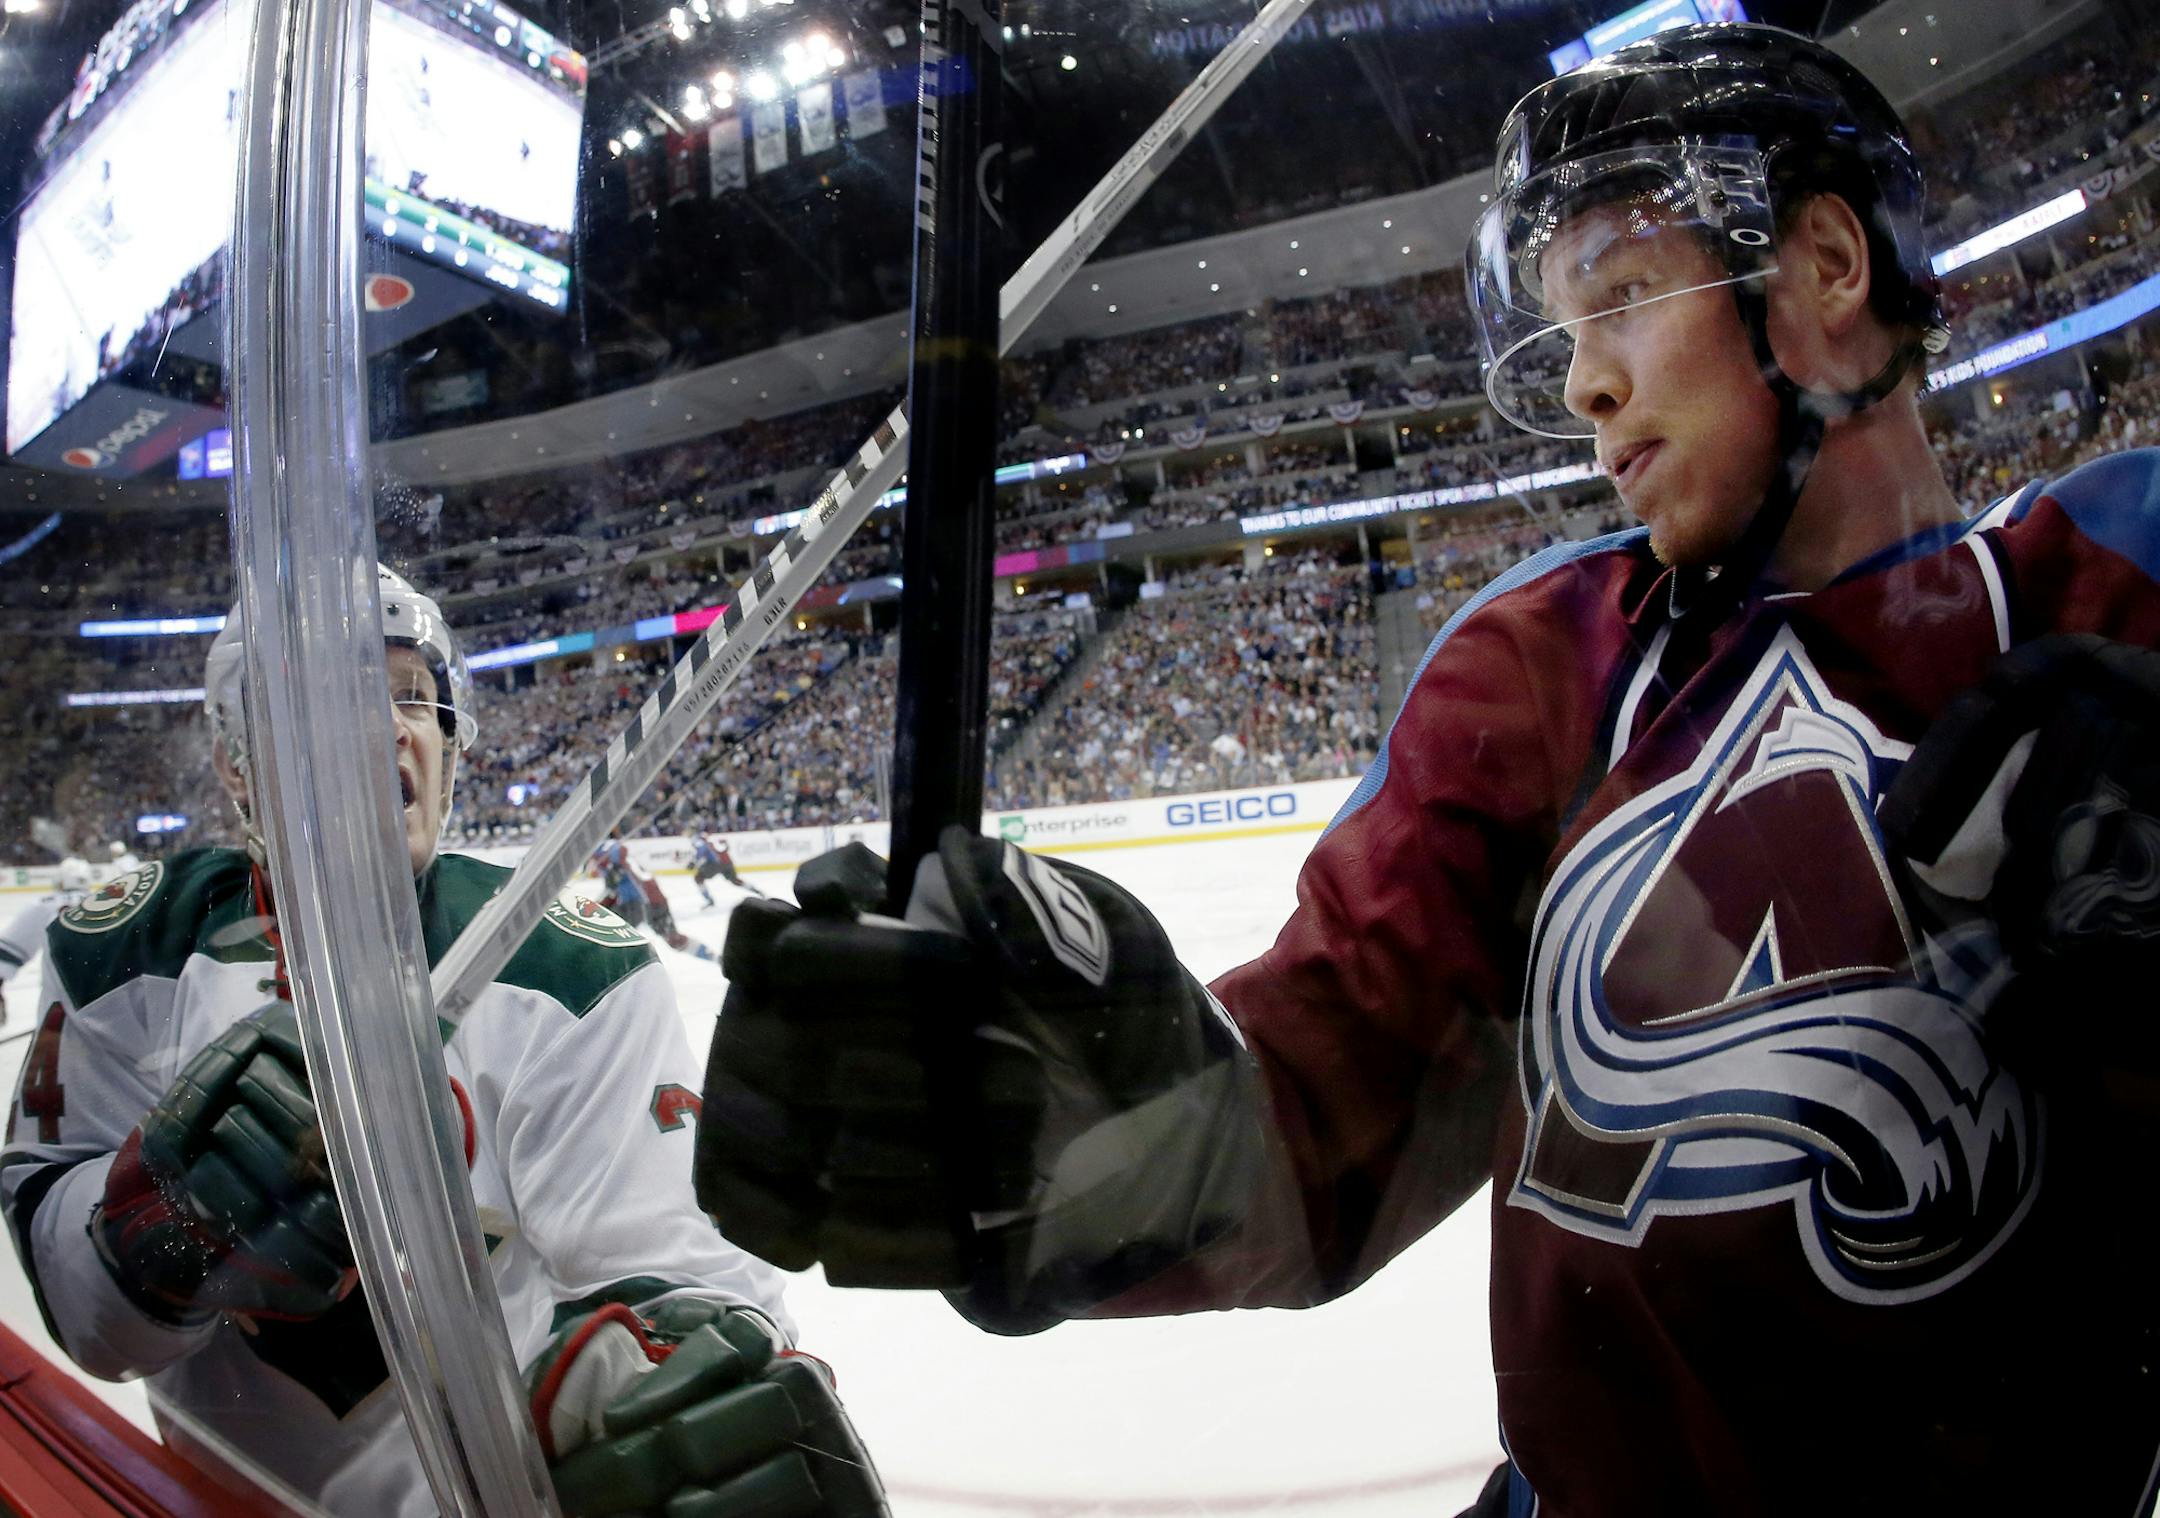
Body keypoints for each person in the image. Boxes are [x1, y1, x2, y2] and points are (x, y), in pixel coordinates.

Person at [693, 24, 2160, 1515]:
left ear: (1829, 266)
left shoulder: (2118, 581)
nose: (1585, 383)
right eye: (1563, 330)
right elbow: (1329, 1110)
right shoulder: (1541, 664)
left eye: (1623, 297)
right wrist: (1087, 1133)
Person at [1, 566, 885, 1517]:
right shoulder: (125, 954)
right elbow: (90, 1328)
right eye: (322, 696)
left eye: (411, 694)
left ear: (448, 744)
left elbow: (681, 1284)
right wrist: (164, 1220)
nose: (384, 724)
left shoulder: (569, 971)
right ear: (236, 762)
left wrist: (661, 1401)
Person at [593, 835, 719, 961]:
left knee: (607, 936)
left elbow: (621, 855)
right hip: (647, 899)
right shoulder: (606, 851)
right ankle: (716, 959)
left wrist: (616, 868)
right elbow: (615, 885)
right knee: (673, 940)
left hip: (643, 902)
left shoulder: (603, 851)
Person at [0, 856, 92, 1026]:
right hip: (107, 1002)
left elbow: (7, 952)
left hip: (58, 1008)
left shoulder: (44, 904)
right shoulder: (104, 902)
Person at [691, 829, 763, 907]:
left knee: (698, 878)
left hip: (716, 864)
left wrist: (694, 862)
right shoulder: (713, 838)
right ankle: (756, 891)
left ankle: (709, 900)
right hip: (727, 862)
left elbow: (702, 850)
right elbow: (724, 848)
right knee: (735, 880)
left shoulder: (701, 841)